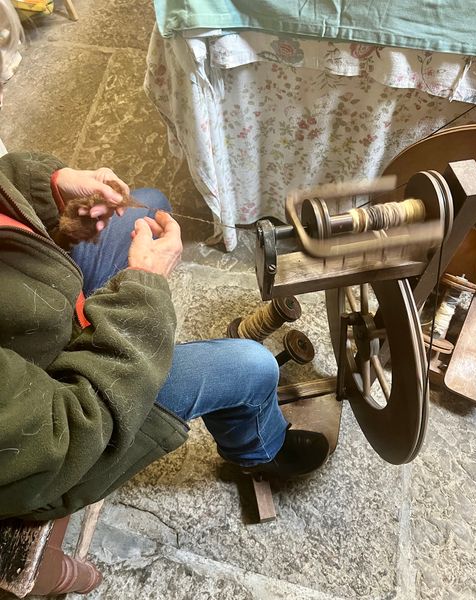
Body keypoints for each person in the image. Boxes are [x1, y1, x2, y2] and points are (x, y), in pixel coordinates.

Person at [0, 4, 329, 522]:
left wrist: (50, 190)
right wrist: (143, 292)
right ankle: (260, 451)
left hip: (31, 314)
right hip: (60, 427)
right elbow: (67, 434)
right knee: (251, 366)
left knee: (146, 204)